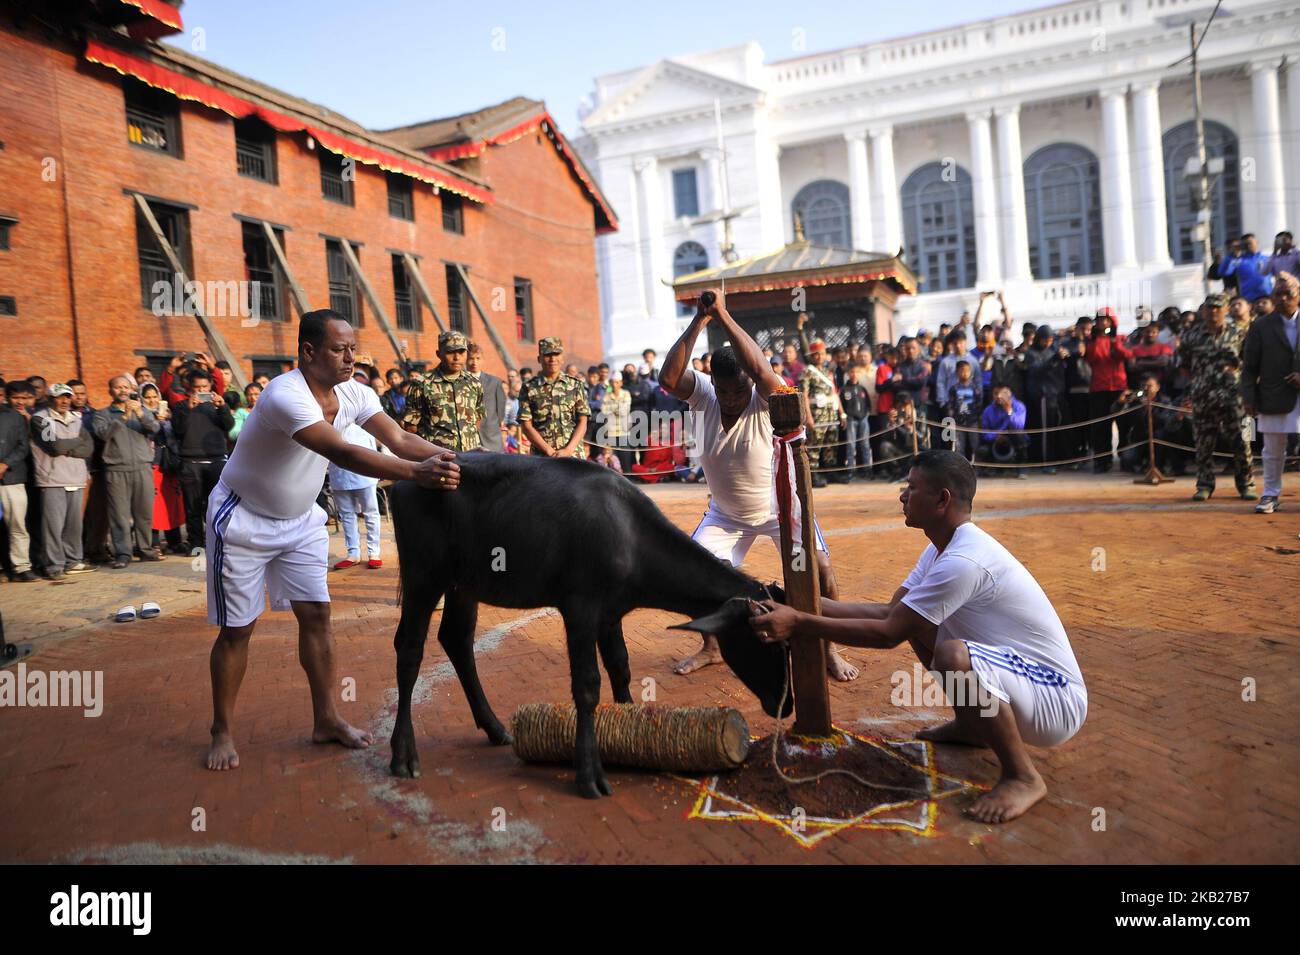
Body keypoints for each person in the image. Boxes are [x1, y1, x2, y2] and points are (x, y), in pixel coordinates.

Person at [747, 450, 1087, 824]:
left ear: (942, 499)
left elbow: (888, 633)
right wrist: (797, 602)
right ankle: (974, 726)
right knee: (921, 624)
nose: (902, 496)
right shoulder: (941, 547)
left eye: (911, 488)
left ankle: (1023, 776)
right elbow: (889, 613)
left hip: (1055, 699)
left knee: (953, 655)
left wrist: (798, 622)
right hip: (1021, 682)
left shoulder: (963, 561)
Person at [204, 309, 461, 772]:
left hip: (302, 520)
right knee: (239, 629)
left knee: (318, 616)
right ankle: (222, 729)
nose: (350, 358)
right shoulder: (285, 395)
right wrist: (417, 475)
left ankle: (326, 718)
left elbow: (399, 438)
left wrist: (461, 461)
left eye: (352, 348)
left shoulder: (355, 391)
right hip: (242, 519)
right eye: (339, 349)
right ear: (308, 352)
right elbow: (342, 450)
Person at [660, 289, 857, 682]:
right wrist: (701, 320)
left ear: (750, 381)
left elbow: (764, 373)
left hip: (779, 508)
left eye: (740, 389)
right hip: (725, 515)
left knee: (821, 570)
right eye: (724, 390)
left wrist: (724, 317)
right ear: (711, 382)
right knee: (694, 574)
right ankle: (712, 648)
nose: (732, 398)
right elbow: (668, 378)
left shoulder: (766, 395)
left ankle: (828, 647)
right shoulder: (702, 393)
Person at [1180, 293, 1256, 502]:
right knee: (1204, 443)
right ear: (1203, 310)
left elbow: (1249, 364)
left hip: (1235, 396)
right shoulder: (1191, 336)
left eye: (1217, 307)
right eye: (1209, 307)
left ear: (1225, 309)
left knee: (1244, 440)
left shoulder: (1240, 332)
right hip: (1203, 397)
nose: (1213, 311)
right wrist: (1201, 382)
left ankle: (1246, 484)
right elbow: (1184, 367)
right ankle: (1204, 485)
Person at [1241, 271, 1300, 514]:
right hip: (1273, 395)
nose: (1283, 298)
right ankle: (1270, 495)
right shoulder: (1260, 326)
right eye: (1279, 294)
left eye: (1289, 294)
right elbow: (1249, 367)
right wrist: (1248, 398)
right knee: (1272, 450)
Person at [94, 375, 161, 568]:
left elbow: (155, 428)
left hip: (142, 467)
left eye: (126, 387)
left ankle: (146, 549)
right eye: (118, 387)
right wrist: (123, 418)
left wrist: (139, 413)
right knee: (119, 515)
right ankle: (123, 553)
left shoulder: (141, 411)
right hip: (117, 469)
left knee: (145, 512)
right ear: (110, 391)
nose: (122, 390)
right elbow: (104, 434)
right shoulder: (103, 414)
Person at [30, 383, 95, 580]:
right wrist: (76, 442)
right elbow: (54, 447)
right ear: (51, 399)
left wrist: (67, 446)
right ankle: (53, 566)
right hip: (52, 480)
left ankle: (73, 561)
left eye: (67, 396)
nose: (65, 401)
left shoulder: (76, 418)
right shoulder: (41, 419)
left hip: (76, 477)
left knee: (74, 525)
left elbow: (89, 448)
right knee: (53, 527)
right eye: (60, 397)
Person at [173, 369, 234, 550]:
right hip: (190, 463)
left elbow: (229, 426)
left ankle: (217, 542)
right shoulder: (181, 407)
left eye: (204, 387)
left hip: (216, 462)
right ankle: (196, 545)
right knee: (192, 508)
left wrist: (222, 407)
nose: (201, 391)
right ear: (189, 388)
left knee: (216, 505)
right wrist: (188, 410)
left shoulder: (216, 406)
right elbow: (177, 430)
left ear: (211, 387)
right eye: (197, 387)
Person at [402, 330, 484, 452]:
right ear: (439, 354)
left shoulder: (474, 383)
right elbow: (411, 427)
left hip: (471, 456)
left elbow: (477, 418)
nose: (457, 357)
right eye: (450, 352)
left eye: (461, 352)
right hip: (438, 458)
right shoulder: (422, 384)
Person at [517, 337, 588, 459]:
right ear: (539, 359)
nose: (552, 359)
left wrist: (568, 450)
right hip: (542, 457)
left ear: (562, 358)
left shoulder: (575, 385)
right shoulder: (528, 388)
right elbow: (526, 426)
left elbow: (583, 421)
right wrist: (548, 451)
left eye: (556, 354)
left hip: (573, 455)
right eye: (548, 355)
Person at [328, 424, 383, 570]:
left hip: (364, 467)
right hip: (338, 469)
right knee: (346, 514)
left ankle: (374, 553)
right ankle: (353, 553)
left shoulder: (360, 407)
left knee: (370, 512)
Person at [1085, 310, 1132, 472]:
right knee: (1100, 427)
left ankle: (1125, 457)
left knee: (1123, 424)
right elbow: (1091, 358)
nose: (1101, 323)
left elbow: (1127, 355)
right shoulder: (1092, 341)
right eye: (1099, 320)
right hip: (1099, 388)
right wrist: (1098, 340)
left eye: (1105, 320)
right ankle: (1102, 461)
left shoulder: (1121, 338)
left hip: (1118, 387)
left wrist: (1114, 342)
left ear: (1112, 322)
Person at [140, 383, 184, 555]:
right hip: (152, 463)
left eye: (154, 396)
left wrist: (166, 421)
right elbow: (147, 436)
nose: (152, 400)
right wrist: (154, 422)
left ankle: (175, 540)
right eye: (148, 397)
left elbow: (174, 436)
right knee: (152, 505)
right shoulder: (140, 415)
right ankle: (154, 543)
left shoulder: (168, 414)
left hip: (169, 464)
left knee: (171, 503)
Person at [0, 380, 36, 581]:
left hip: (12, 478)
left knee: (18, 525)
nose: (19, 401)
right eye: (16, 397)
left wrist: (5, 464)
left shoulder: (15, 417)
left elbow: (23, 446)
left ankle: (22, 567)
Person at [977, 385, 1028, 478]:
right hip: (995, 438)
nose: (999, 396)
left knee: (1021, 436)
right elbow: (984, 432)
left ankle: (1021, 470)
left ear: (1010, 394)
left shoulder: (1019, 406)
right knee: (982, 449)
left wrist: (1009, 411)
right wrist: (995, 435)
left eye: (1003, 393)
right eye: (996, 393)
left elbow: (1019, 426)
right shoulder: (988, 410)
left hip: (1013, 436)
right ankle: (989, 470)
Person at [467, 342, 506, 452]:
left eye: (478, 358)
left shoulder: (494, 382)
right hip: (468, 435)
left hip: (491, 434)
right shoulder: (459, 382)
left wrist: (497, 424)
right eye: (471, 358)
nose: (474, 362)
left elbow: (500, 407)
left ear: (483, 359)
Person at [944, 360, 982, 462]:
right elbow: (950, 406)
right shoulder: (954, 389)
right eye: (962, 371)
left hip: (973, 421)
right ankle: (961, 467)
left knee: (975, 444)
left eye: (967, 371)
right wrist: (951, 420)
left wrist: (978, 418)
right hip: (958, 422)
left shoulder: (975, 388)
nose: (964, 373)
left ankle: (978, 466)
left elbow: (979, 404)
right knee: (959, 447)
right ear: (957, 372)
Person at [841, 362, 873, 480]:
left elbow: (868, 404)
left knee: (865, 444)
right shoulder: (844, 389)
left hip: (863, 419)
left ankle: (868, 470)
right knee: (851, 445)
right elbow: (842, 406)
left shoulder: (862, 389)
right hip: (851, 420)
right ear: (848, 374)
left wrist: (865, 415)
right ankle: (851, 471)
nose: (854, 374)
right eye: (851, 372)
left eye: (856, 372)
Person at [1220, 234, 1274, 302]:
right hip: (1248, 298)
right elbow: (1223, 272)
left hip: (1267, 296)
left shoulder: (1266, 258)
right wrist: (1231, 255)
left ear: (1256, 242)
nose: (1248, 246)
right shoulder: (1238, 260)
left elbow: (1277, 273)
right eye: (1245, 244)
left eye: (1250, 243)